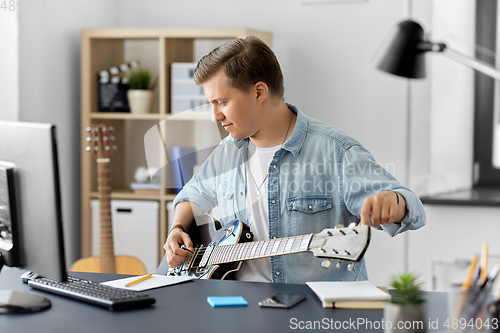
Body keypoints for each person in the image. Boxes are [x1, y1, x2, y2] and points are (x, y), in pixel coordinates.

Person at [164, 36, 426, 284]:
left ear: (258, 92)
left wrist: (394, 202)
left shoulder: (336, 151)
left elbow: (412, 207)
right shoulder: (227, 152)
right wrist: (177, 228)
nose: (215, 116)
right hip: (236, 308)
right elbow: (192, 194)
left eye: (221, 102)